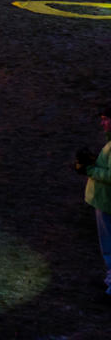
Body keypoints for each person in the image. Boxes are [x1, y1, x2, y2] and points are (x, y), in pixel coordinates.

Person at [75, 104, 111, 296]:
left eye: (106, 119)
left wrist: (89, 169)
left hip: (107, 202)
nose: (102, 123)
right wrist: (96, 161)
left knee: (109, 245)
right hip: (105, 201)